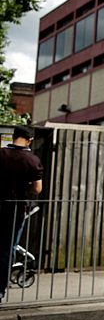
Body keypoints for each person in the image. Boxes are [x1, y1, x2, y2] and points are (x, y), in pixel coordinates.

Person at [1, 125, 44, 305]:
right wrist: (21, 185)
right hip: (15, 211)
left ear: (14, 136)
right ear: (30, 139)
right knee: (6, 250)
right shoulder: (32, 160)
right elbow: (37, 189)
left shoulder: (1, 154)